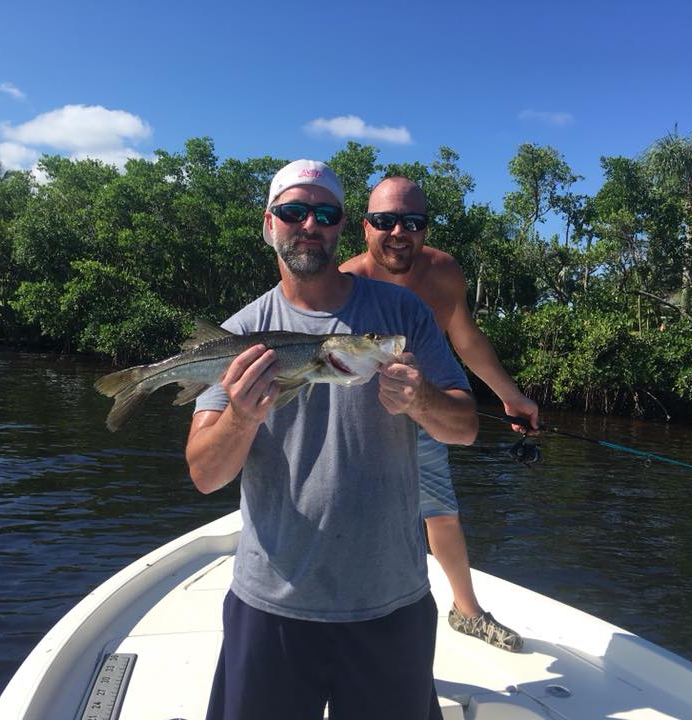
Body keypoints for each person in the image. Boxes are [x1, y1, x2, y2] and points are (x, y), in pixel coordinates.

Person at [186, 159, 478, 720]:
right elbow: (204, 474)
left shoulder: (402, 315)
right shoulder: (241, 333)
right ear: (269, 223)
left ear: (343, 225)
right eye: (293, 212)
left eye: (324, 214)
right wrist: (240, 419)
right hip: (272, 603)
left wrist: (420, 399)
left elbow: (464, 428)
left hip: (390, 601)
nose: (309, 225)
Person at [340, 176, 540, 652]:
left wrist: (511, 396)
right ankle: (347, 614)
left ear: (425, 228)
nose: (398, 232)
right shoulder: (346, 282)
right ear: (366, 227)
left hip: (428, 406)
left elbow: (466, 340)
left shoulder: (444, 272)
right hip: (365, 419)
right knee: (356, 514)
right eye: (385, 221)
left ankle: (466, 612)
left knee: (442, 513)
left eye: (411, 222)